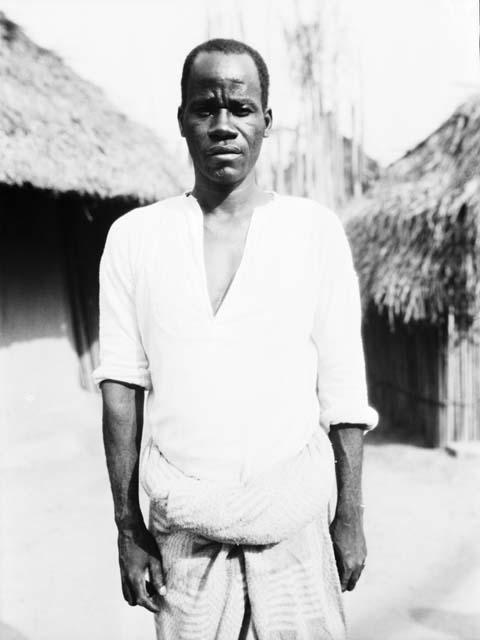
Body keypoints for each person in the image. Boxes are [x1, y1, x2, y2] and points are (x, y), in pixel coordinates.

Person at [93, 38, 378, 640]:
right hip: (187, 532)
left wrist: (348, 515)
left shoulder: (312, 233)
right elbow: (121, 388)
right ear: (182, 120)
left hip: (293, 521)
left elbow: (345, 390)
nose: (224, 125)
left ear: (266, 122)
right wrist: (127, 527)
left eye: (241, 109)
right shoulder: (135, 239)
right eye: (206, 108)